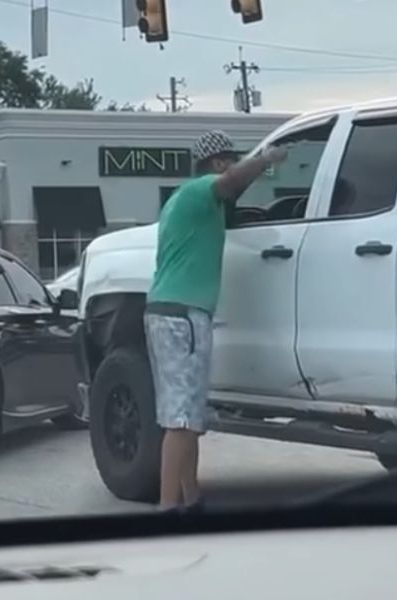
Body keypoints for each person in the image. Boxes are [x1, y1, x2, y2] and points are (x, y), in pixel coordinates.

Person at [144, 130, 287, 511]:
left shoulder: (181, 200)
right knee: (180, 421)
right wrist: (266, 159)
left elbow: (236, 185)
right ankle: (167, 508)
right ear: (219, 162)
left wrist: (253, 170)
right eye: (232, 160)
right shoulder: (203, 189)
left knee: (187, 415)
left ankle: (191, 497)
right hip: (183, 317)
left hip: (167, 313)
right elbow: (231, 182)